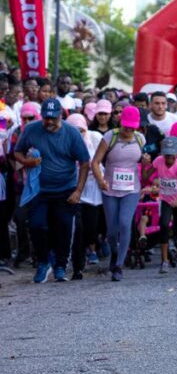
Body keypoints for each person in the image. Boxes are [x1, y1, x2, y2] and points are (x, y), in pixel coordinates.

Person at [14, 98, 91, 283]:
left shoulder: (72, 133)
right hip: (39, 189)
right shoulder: (32, 129)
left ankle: (60, 266)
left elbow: (85, 162)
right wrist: (26, 162)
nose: (49, 122)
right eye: (46, 118)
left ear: (60, 116)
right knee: (36, 225)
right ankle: (42, 262)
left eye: (53, 118)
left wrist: (78, 191)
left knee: (64, 226)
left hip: (66, 189)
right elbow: (17, 151)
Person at [91, 105, 149, 282]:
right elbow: (95, 162)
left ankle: (118, 266)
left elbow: (145, 172)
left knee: (125, 223)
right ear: (120, 122)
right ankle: (114, 254)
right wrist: (101, 180)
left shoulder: (140, 139)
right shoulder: (110, 136)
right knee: (111, 230)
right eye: (126, 127)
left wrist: (146, 163)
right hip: (110, 188)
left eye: (132, 128)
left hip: (131, 189)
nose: (128, 130)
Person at [146, 136, 177, 274]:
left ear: (176, 154)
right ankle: (164, 261)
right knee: (164, 226)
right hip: (165, 199)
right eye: (166, 155)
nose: (169, 158)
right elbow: (146, 176)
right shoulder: (158, 161)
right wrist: (146, 164)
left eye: (171, 155)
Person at [68, 113, 103, 280]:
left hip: (93, 188)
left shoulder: (95, 137)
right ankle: (77, 266)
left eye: (81, 131)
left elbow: (102, 161)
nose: (78, 135)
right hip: (73, 190)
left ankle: (97, 245)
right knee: (78, 230)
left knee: (91, 229)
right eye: (73, 131)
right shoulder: (64, 141)